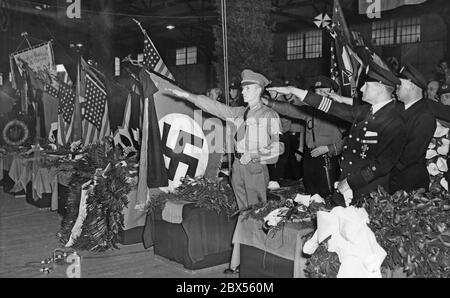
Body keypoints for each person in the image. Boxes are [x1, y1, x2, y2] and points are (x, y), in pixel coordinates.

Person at [268, 67, 407, 206]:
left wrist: (350, 182)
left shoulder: (393, 120)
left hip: (370, 192)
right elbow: (329, 106)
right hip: (348, 186)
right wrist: (293, 91)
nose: (362, 89)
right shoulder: (367, 111)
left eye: (367, 85)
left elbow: (382, 165)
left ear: (380, 88)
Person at [166, 69, 284, 209]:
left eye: (248, 88)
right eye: (243, 88)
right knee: (243, 211)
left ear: (258, 90)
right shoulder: (239, 112)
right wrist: (187, 95)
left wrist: (254, 155)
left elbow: (279, 146)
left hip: (255, 169)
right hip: (237, 167)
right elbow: (214, 107)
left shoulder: (269, 114)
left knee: (256, 212)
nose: (243, 92)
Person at [263, 76, 347, 198]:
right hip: (309, 158)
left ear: (332, 92)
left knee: (329, 195)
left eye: (324, 91)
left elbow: (350, 138)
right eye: (318, 91)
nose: (320, 94)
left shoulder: (339, 111)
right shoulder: (311, 111)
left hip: (327, 158)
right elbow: (289, 109)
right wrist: (268, 102)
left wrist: (330, 148)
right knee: (311, 193)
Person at [387, 64, 437, 193]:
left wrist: (383, 169)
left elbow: (410, 155)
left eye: (399, 85)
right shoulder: (398, 109)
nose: (395, 89)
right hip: (392, 178)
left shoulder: (424, 116)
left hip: (408, 183)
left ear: (410, 85)